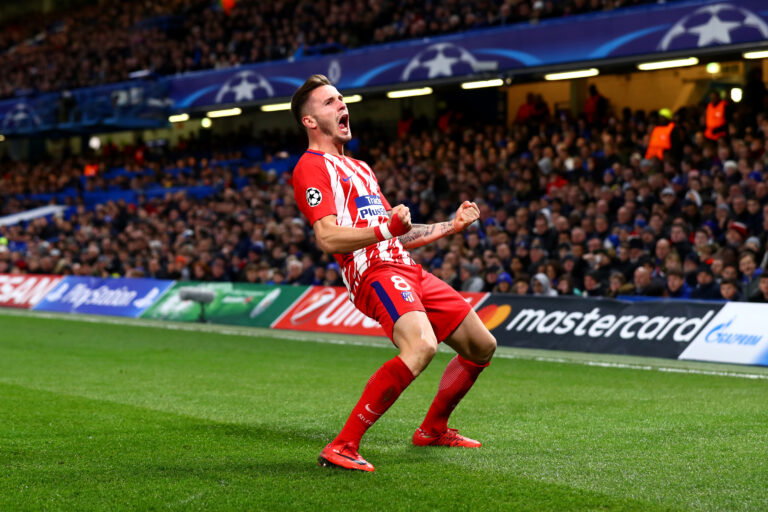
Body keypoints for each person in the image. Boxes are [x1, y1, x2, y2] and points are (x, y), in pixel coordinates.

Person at [289, 75, 496, 473]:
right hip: (373, 273)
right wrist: (386, 229)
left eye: (342, 99)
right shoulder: (311, 168)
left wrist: (449, 227)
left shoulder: (361, 168)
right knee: (421, 347)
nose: (342, 106)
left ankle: (433, 430)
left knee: (481, 345)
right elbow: (328, 237)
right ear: (310, 121)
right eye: (330, 102)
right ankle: (343, 445)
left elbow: (399, 233)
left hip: (405, 267)